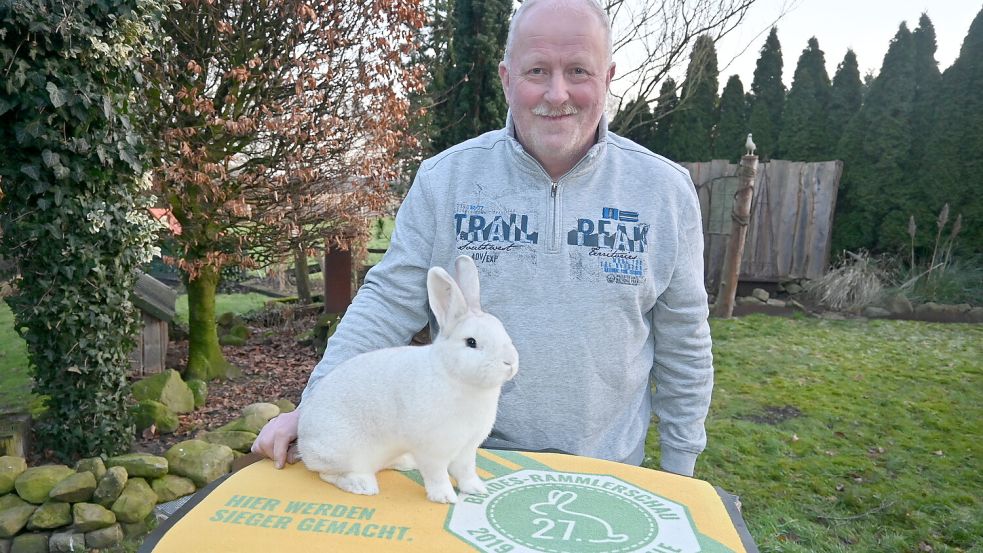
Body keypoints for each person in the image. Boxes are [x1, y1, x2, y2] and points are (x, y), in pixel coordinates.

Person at [253, 0, 713, 477]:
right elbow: (387, 303)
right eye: (537, 70)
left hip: (605, 471)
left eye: (578, 70)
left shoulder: (664, 191)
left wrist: (681, 470)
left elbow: (685, 340)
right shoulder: (445, 179)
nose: (557, 94)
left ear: (608, 76)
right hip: (463, 464)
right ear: (506, 77)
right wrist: (318, 405)